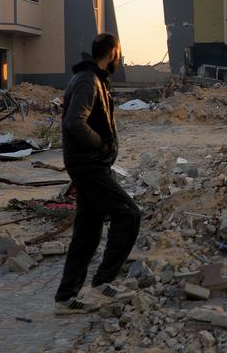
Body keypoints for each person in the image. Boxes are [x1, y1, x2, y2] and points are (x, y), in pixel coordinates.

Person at [55, 33, 141, 314]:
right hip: (88, 165)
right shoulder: (87, 81)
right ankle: (103, 280)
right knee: (128, 213)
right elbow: (74, 122)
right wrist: (101, 145)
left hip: (92, 164)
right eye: (120, 53)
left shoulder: (95, 79)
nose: (120, 58)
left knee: (88, 231)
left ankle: (66, 298)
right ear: (113, 52)